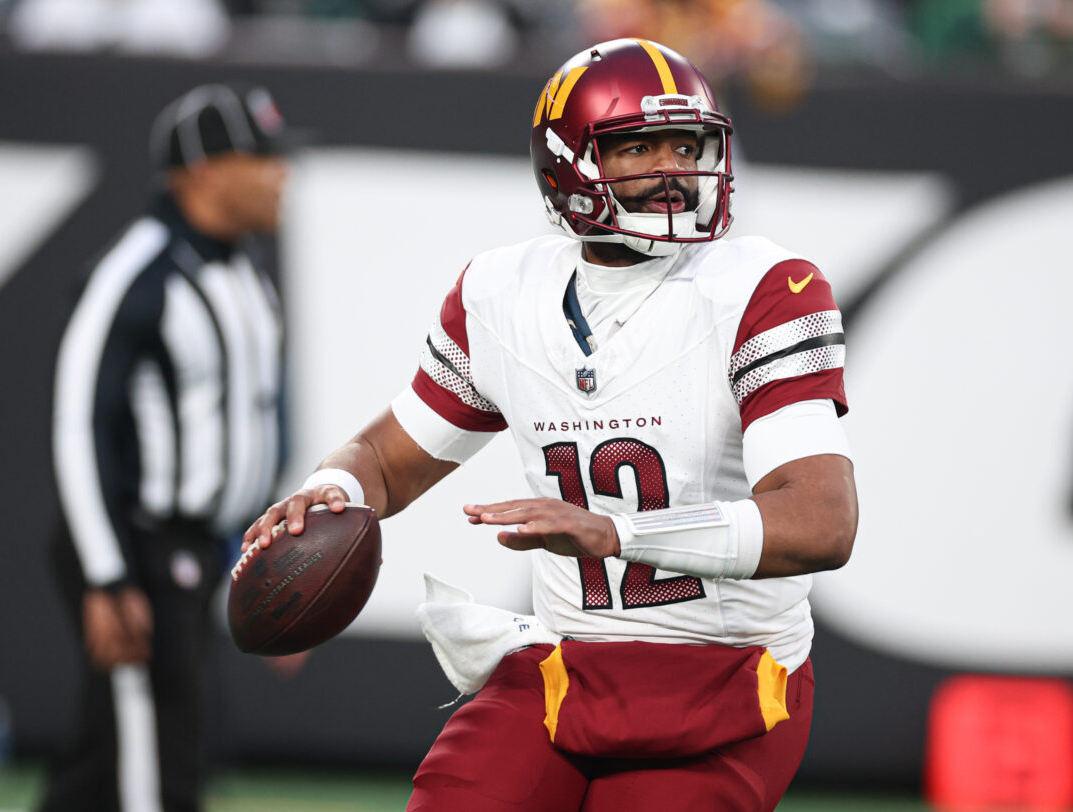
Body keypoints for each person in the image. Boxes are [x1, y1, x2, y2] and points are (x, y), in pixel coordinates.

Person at [246, 38, 858, 812]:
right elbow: (387, 456)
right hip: (571, 665)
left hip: (733, 674)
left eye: (686, 143)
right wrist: (330, 490)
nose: (674, 168)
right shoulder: (503, 293)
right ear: (569, 165)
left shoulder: (767, 288)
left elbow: (822, 521)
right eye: (639, 147)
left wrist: (620, 532)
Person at [45, 83, 292, 812]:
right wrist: (106, 574)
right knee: (159, 769)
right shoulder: (134, 274)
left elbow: (252, 426)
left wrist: (272, 565)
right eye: (262, 157)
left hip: (197, 551)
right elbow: (78, 424)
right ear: (205, 171)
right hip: (139, 550)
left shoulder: (246, 273)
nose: (281, 175)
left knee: (105, 762)